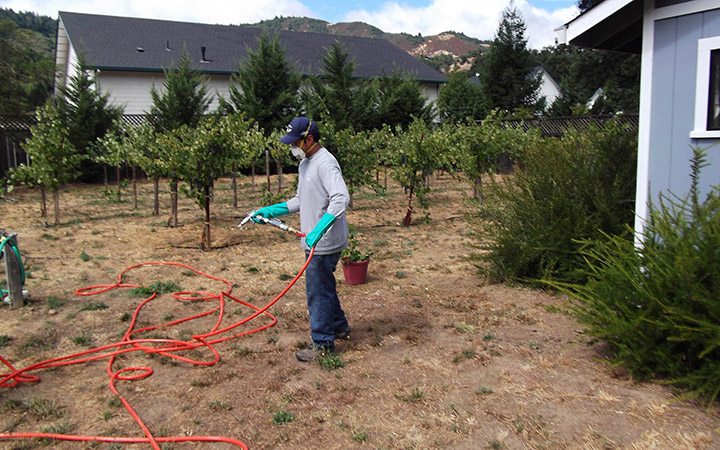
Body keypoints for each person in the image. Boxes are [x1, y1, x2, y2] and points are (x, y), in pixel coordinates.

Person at [251, 117, 351, 362]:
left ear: (309, 139)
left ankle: (323, 344)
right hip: (314, 240)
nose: (292, 147)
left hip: (323, 242)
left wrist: (319, 230)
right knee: (324, 285)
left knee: (317, 292)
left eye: (296, 142)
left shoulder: (326, 163)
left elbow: (341, 198)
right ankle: (339, 326)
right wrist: (272, 210)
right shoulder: (306, 163)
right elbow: (300, 199)